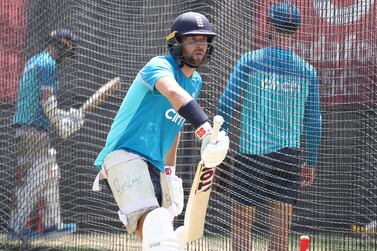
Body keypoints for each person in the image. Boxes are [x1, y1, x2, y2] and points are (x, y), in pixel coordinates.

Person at [92, 12, 229, 251]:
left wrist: (171, 172)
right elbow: (174, 95)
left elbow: (173, 126)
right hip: (124, 155)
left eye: (204, 39)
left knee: (159, 236)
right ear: (176, 42)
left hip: (155, 164)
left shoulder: (195, 82)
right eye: (192, 39)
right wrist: (205, 129)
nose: (200, 45)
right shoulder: (159, 66)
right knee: (156, 227)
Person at [218, 2, 322, 251]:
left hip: (252, 152)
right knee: (280, 237)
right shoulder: (307, 71)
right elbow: (314, 121)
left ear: (269, 26)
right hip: (288, 155)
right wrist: (311, 161)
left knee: (242, 232)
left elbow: (225, 104)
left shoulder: (250, 61)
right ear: (295, 29)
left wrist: (218, 145)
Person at [9, 29, 82, 238]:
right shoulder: (48, 64)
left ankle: (53, 226)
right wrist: (64, 123)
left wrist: (64, 119)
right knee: (38, 177)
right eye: (66, 54)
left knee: (51, 172)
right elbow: (47, 101)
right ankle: (16, 227)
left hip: (27, 129)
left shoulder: (35, 60)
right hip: (34, 130)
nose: (65, 60)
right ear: (62, 48)